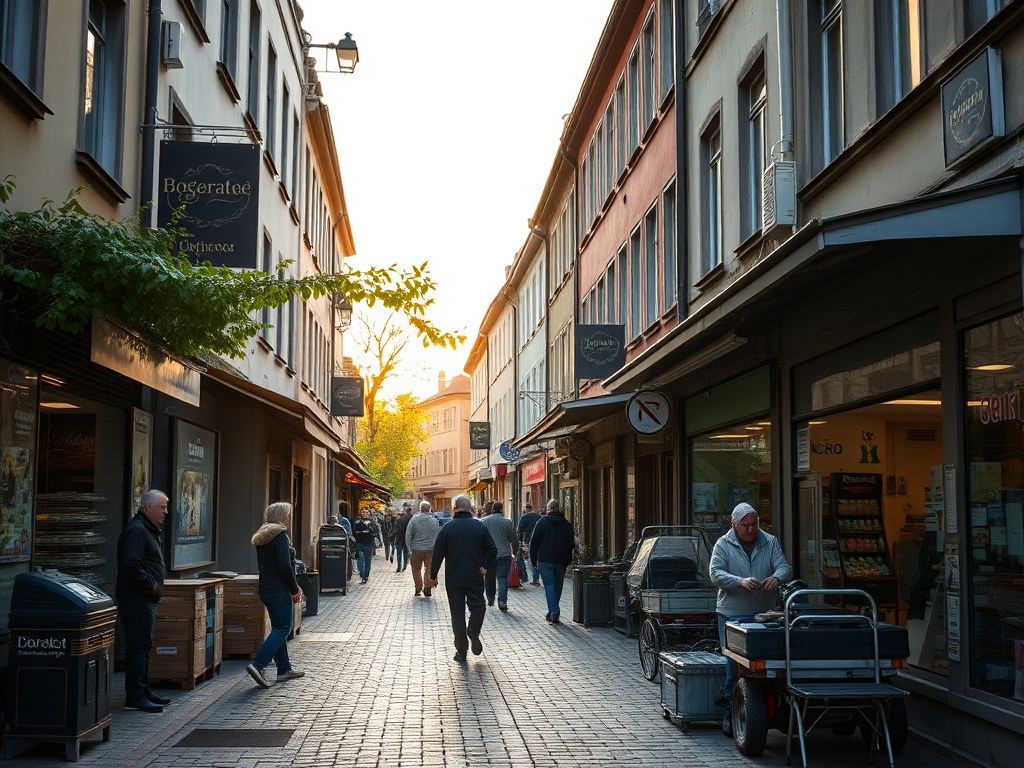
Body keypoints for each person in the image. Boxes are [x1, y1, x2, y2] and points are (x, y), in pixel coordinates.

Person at [709, 502, 791, 738]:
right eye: (745, 525)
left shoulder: (770, 541)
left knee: (766, 666)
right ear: (734, 524)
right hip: (732, 612)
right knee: (733, 666)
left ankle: (766, 710)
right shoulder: (723, 544)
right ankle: (729, 711)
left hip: (764, 613)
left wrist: (776, 577)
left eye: (754, 524)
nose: (750, 529)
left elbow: (784, 568)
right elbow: (715, 573)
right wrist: (739, 581)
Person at [116, 489, 171, 713]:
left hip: (143, 598)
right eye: (163, 507)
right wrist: (151, 584)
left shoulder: (147, 529)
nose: (166, 512)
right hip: (137, 598)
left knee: (144, 645)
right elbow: (130, 564)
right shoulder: (138, 530)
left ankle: (142, 689)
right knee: (138, 646)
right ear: (149, 508)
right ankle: (135, 695)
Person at [429, 495, 496, 662]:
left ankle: (461, 650)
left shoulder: (447, 528)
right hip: (474, 576)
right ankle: (473, 629)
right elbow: (492, 549)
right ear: (470, 508)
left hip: (454, 579)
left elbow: (438, 554)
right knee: (478, 606)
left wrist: (433, 576)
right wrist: (485, 565)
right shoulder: (479, 526)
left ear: (454, 508)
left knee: (457, 614)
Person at [246, 502, 304, 688]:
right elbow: (285, 565)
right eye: (288, 514)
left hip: (266, 588)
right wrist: (294, 588)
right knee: (283, 628)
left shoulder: (264, 536)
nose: (290, 518)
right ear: (282, 516)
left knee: (279, 627)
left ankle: (284, 669)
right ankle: (259, 664)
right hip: (279, 589)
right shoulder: (280, 536)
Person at [529, 498, 575, 624]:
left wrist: (533, 561)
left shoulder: (542, 523)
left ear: (548, 509)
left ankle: (554, 610)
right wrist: (568, 559)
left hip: (545, 560)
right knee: (558, 586)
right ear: (559, 509)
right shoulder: (567, 525)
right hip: (561, 561)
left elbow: (534, 543)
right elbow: (571, 544)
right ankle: (553, 610)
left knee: (549, 586)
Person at [480, 500, 517, 611]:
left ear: (492, 510)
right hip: (504, 554)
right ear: (502, 509)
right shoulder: (508, 522)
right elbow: (513, 538)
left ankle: (490, 598)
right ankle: (502, 601)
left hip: (489, 555)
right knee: (502, 578)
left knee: (489, 577)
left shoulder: (484, 521)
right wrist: (515, 551)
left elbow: (480, 539)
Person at [406, 500, 440, 596]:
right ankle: (428, 587)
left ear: (420, 509)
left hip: (416, 549)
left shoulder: (413, 519)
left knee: (416, 569)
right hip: (430, 549)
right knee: (429, 568)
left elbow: (408, 535)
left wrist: (408, 548)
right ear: (429, 509)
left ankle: (418, 588)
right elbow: (437, 535)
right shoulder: (434, 521)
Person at [352, 507, 381, 584]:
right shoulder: (357, 522)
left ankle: (365, 577)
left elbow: (376, 533)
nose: (364, 514)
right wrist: (359, 533)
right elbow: (354, 532)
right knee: (360, 559)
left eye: (366, 512)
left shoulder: (372, 523)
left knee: (368, 561)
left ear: (369, 514)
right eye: (363, 512)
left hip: (369, 544)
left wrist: (369, 530)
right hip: (360, 543)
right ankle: (361, 573)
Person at [517, 501, 543, 586]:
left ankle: (535, 579)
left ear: (525, 508)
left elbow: (520, 530)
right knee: (538, 557)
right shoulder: (539, 517)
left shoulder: (524, 517)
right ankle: (539, 577)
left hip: (529, 539)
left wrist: (520, 541)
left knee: (531, 558)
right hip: (540, 539)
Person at [394, 503, 413, 572]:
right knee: (405, 552)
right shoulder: (410, 519)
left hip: (399, 538)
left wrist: (396, 536)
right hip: (406, 538)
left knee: (399, 553)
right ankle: (404, 564)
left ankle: (399, 567)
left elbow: (395, 529)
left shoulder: (399, 520)